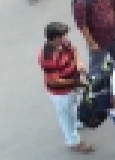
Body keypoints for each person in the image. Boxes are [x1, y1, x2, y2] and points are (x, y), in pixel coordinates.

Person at [39, 21, 94, 154]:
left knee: (74, 105)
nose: (65, 38)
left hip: (72, 84)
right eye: (62, 36)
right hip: (60, 92)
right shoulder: (47, 56)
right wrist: (76, 82)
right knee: (65, 116)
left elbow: (74, 51)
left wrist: (79, 64)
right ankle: (73, 142)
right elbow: (55, 81)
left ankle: (77, 123)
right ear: (53, 38)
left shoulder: (64, 44)